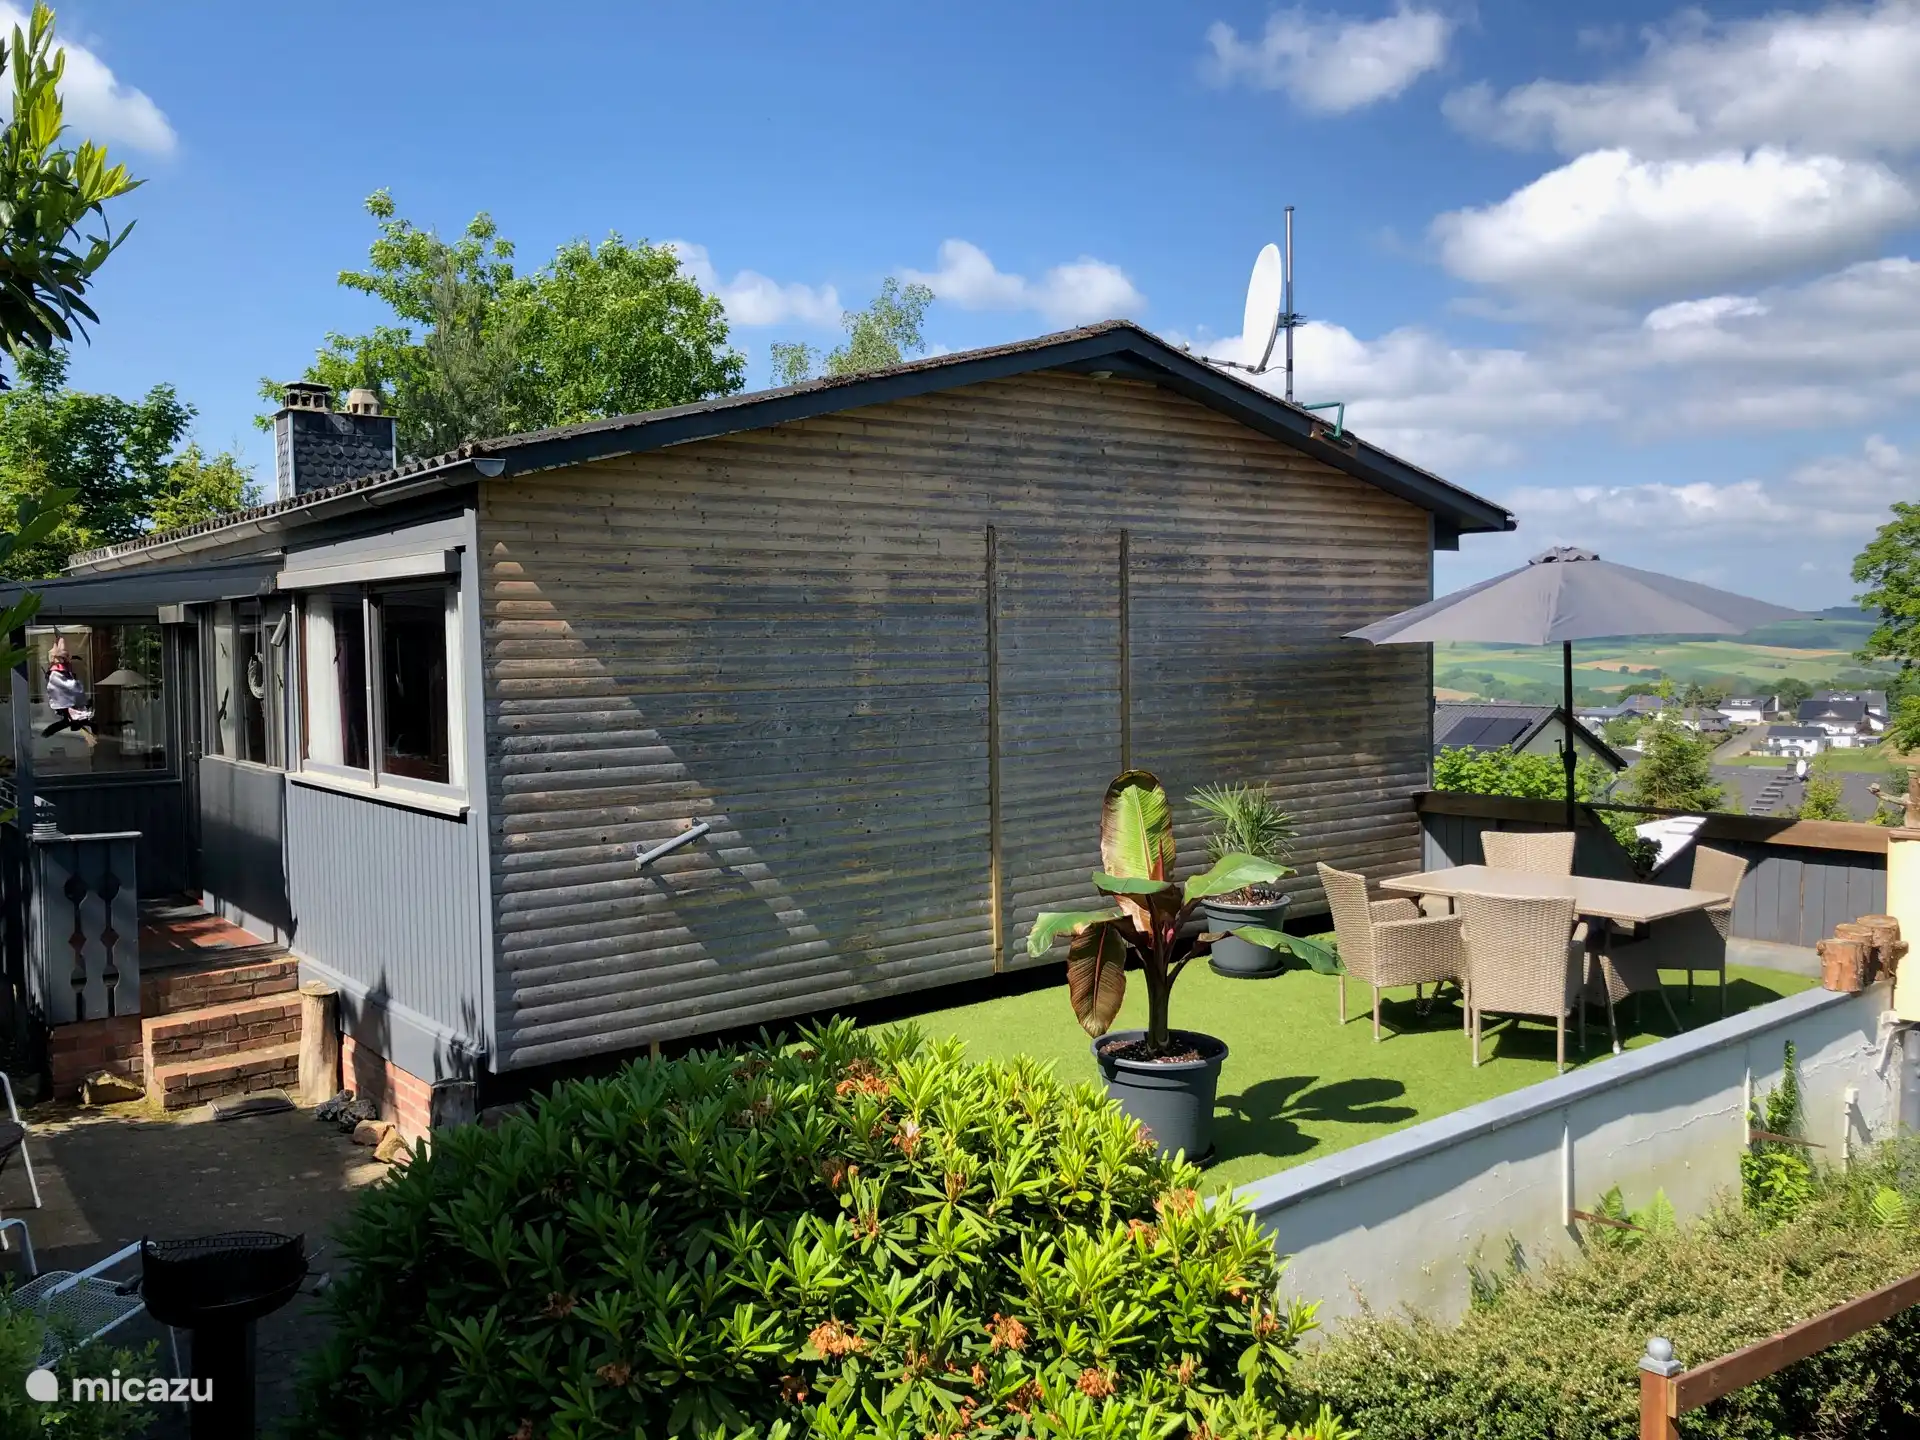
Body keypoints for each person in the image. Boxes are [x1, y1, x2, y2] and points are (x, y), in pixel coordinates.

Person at [42, 638, 95, 749]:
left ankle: (85, 731)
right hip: (65, 697)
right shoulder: (57, 672)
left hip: (67, 698)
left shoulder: (63, 671)